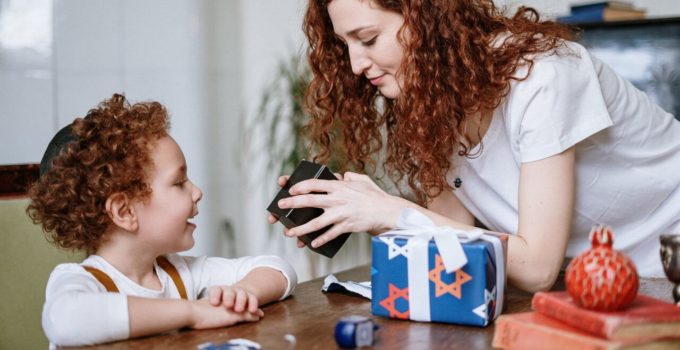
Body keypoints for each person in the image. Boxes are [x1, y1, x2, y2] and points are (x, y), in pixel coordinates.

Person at [270, 0, 680, 293]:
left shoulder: (544, 74)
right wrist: (363, 212)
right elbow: (451, 238)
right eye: (345, 45)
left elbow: (536, 267)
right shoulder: (428, 103)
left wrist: (392, 210)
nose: (356, 64)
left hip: (664, 266)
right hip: (590, 282)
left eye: (368, 38)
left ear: (424, 17)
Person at [28, 94, 297, 347]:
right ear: (124, 212)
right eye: (179, 183)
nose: (197, 192)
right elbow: (65, 320)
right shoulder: (82, 281)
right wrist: (194, 313)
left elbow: (278, 269)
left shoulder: (180, 273)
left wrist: (243, 292)